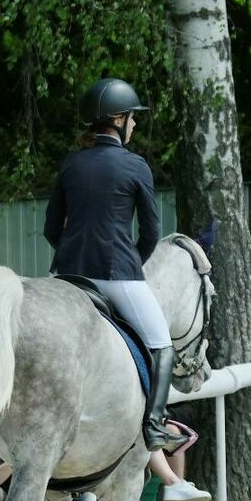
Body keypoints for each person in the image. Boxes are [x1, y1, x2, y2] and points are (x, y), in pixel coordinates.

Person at [44, 78, 184, 452]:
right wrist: (130, 263)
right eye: (133, 118)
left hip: (67, 275)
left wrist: (72, 255)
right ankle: (155, 425)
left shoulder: (71, 163)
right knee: (161, 343)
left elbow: (50, 228)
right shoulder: (135, 165)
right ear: (118, 118)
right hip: (116, 274)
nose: (135, 125)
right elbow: (152, 232)